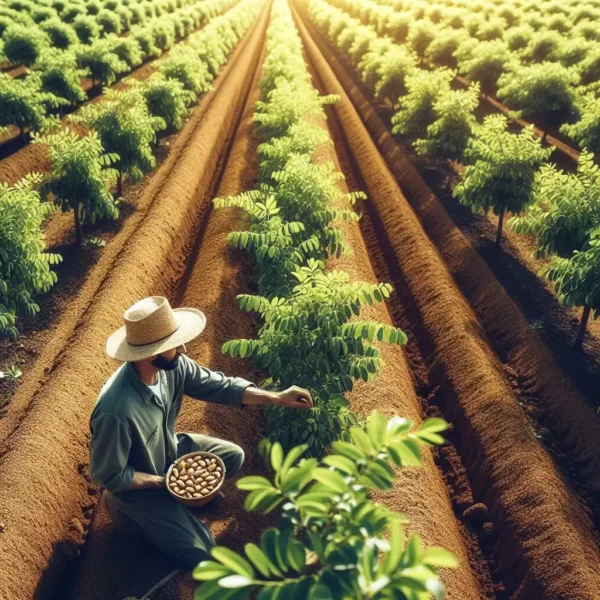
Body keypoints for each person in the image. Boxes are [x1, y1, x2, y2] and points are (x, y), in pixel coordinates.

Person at [89, 296, 312, 568]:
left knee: (233, 456)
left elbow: (220, 386)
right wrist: (167, 484)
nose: (183, 348)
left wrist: (277, 397)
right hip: (137, 488)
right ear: (150, 353)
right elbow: (110, 475)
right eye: (173, 344)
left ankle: (177, 506)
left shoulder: (173, 367)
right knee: (204, 553)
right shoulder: (116, 411)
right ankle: (127, 515)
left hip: (170, 454)